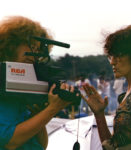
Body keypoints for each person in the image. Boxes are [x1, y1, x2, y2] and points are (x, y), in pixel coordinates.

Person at [0, 16, 76, 150]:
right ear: (11, 45)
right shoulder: (3, 86)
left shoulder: (20, 87)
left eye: (37, 49)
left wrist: (39, 114)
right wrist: (52, 109)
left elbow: (41, 144)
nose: (34, 54)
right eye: (31, 47)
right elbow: (9, 141)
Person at [82, 25, 131, 149]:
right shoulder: (127, 94)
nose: (112, 61)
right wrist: (99, 114)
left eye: (118, 55)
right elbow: (111, 146)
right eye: (110, 56)